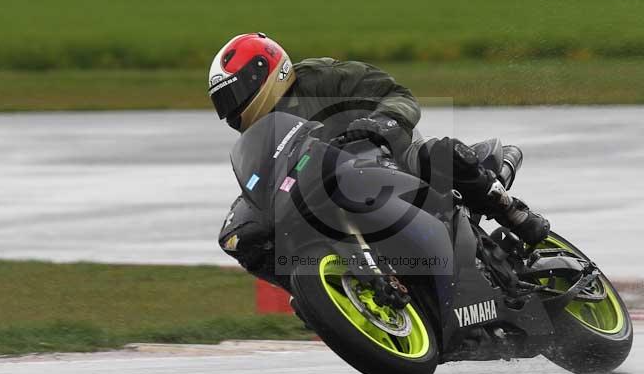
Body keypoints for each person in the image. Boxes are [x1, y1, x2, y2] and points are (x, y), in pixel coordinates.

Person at [210, 33, 549, 282]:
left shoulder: (319, 78)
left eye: (235, 93)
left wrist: (377, 124)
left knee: (439, 154)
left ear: (263, 71)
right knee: (251, 237)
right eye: (224, 102)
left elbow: (397, 94)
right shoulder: (262, 136)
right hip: (327, 195)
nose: (232, 108)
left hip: (385, 156)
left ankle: (512, 211)